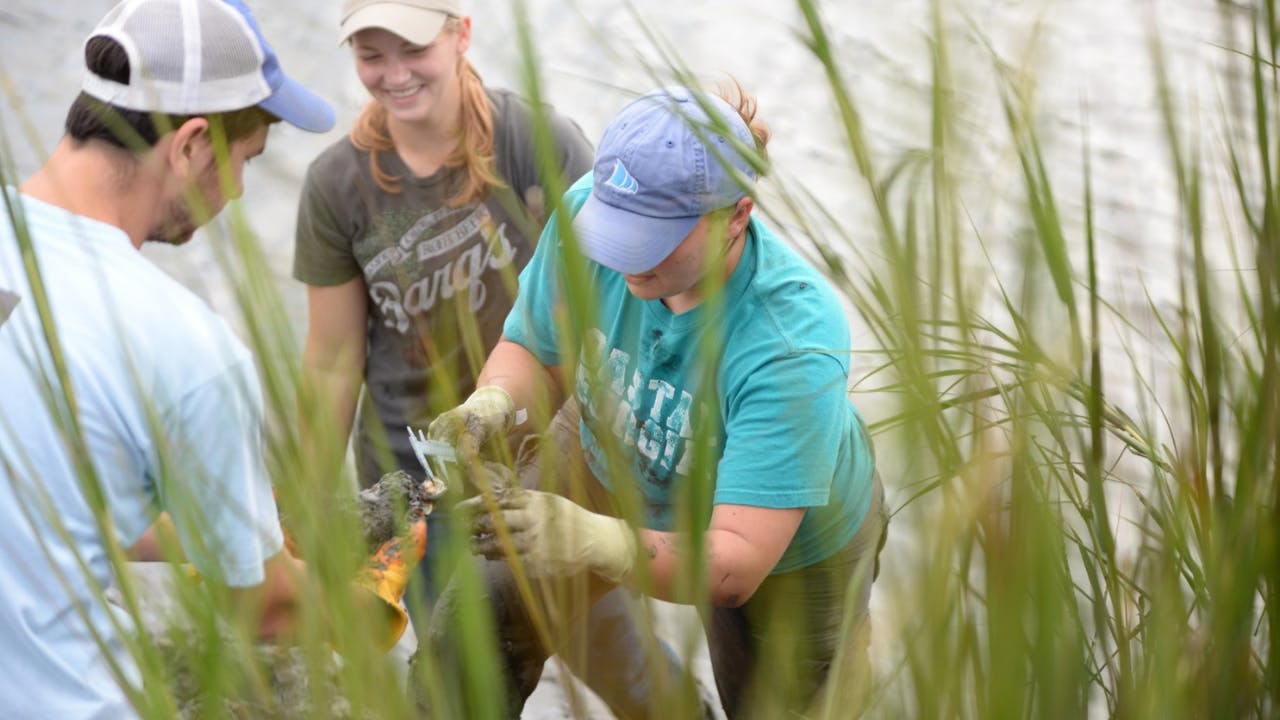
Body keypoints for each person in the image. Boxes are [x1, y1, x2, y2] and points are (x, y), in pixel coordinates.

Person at [0, 1, 413, 717]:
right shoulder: (188, 347)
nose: (240, 189)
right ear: (191, 144)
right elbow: (267, 611)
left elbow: (48, 497)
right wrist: (373, 603)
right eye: (245, 160)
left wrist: (209, 532)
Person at [430, 84, 889, 718]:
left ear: (737, 215)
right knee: (472, 624)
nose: (621, 259)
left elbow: (734, 563)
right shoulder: (586, 219)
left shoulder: (792, 339)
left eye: (652, 236)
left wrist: (599, 542)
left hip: (778, 545)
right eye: (616, 228)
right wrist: (492, 403)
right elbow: (538, 352)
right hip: (611, 441)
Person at [292, 1, 685, 716]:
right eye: (370, 54)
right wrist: (310, 513)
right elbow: (330, 360)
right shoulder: (336, 186)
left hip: (545, 470)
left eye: (411, 48)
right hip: (416, 487)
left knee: (622, 663)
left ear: (460, 34)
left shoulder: (538, 143)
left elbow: (621, 297)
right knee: (464, 673)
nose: (394, 73)